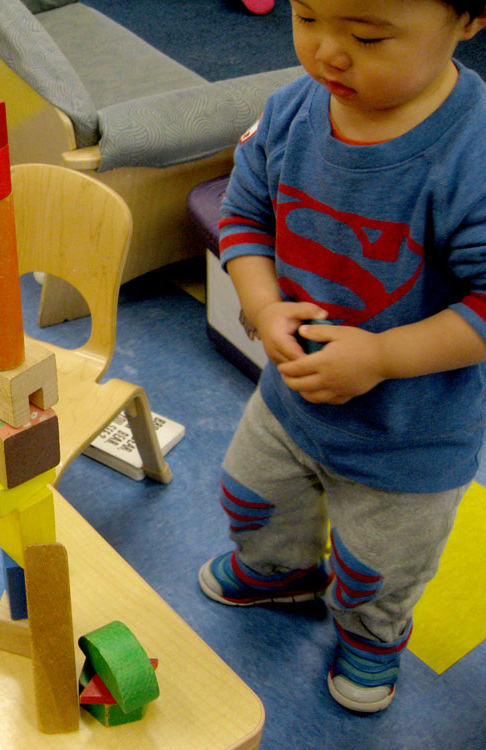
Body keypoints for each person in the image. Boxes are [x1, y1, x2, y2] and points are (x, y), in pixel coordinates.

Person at [199, 0, 486, 713]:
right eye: (305, 16)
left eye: (365, 35)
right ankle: (277, 573)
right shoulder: (293, 109)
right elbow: (244, 214)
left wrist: (386, 356)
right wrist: (262, 306)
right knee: (251, 499)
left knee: (374, 572)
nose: (327, 52)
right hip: (287, 402)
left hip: (408, 439)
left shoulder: (473, 154)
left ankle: (370, 638)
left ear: (469, 21)